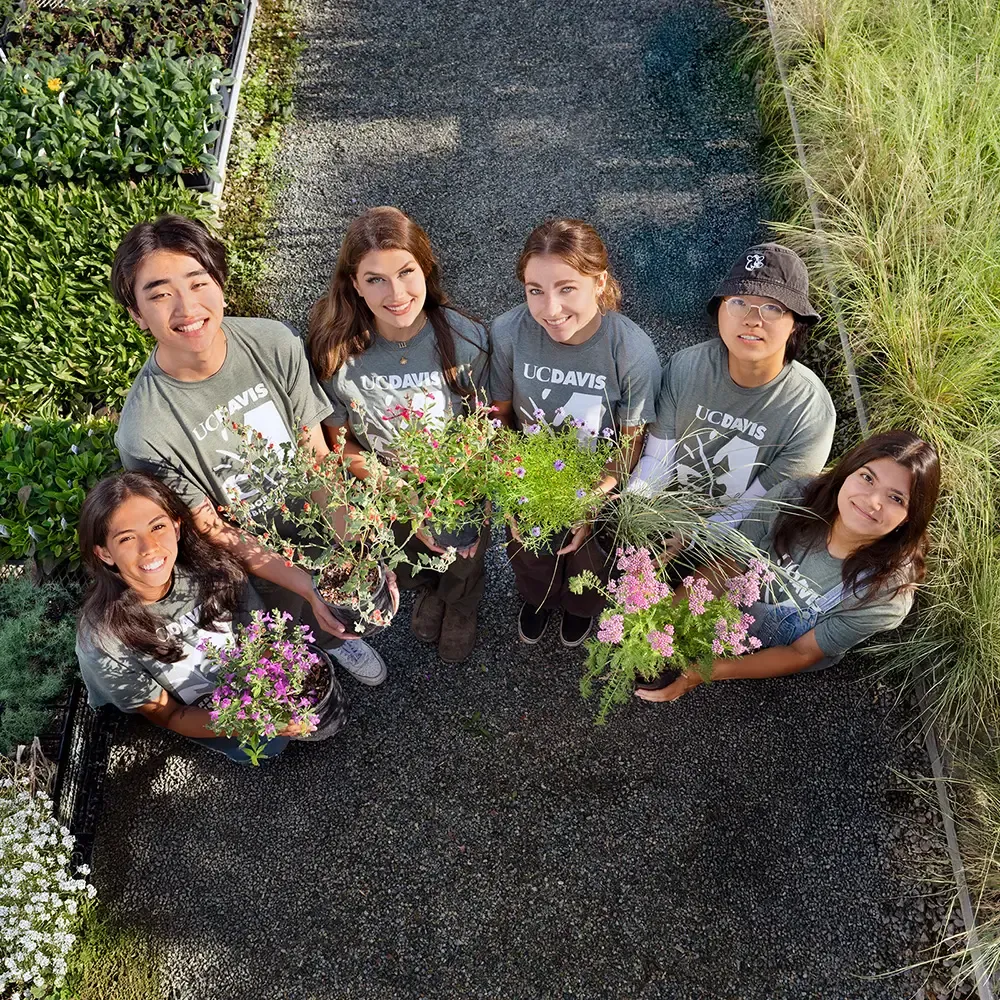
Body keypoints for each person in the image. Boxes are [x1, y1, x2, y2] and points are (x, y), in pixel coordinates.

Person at [109, 214, 389, 687]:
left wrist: (354, 544)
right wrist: (308, 585)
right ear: (137, 313)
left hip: (315, 516)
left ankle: (343, 635)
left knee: (339, 600)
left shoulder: (272, 342)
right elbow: (211, 529)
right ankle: (327, 645)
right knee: (297, 612)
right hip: (250, 552)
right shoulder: (144, 430)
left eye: (198, 283)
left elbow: (315, 456)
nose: (185, 308)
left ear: (219, 283)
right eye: (159, 294)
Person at [308, 207, 491, 663]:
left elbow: (488, 421)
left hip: (456, 486)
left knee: (462, 555)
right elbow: (338, 440)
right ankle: (428, 591)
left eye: (406, 272)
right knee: (409, 558)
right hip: (384, 489)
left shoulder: (466, 340)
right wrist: (390, 485)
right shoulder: (337, 354)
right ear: (354, 283)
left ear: (425, 269)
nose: (396, 293)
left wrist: (471, 486)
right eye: (375, 279)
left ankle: (461, 604)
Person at [636, 430, 940, 703]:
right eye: (867, 477)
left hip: (782, 653)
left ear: (910, 517)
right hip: (724, 611)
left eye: (895, 498)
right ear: (848, 471)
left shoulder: (885, 593)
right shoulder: (795, 498)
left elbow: (802, 652)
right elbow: (729, 564)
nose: (872, 500)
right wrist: (663, 625)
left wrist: (703, 673)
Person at [75, 472, 352, 762]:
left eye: (157, 526)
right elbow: (170, 714)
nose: (149, 548)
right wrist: (252, 718)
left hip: (249, 683)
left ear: (177, 527)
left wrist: (279, 693)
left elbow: (260, 639)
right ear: (105, 553)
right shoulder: (102, 641)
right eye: (127, 538)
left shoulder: (215, 570)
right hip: (202, 711)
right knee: (265, 748)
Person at [490, 218, 661, 647]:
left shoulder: (630, 350)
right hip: (532, 477)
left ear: (598, 281)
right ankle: (537, 599)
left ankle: (580, 607)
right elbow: (498, 415)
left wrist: (597, 493)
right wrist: (512, 484)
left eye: (567, 288)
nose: (550, 309)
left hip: (597, 479)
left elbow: (631, 438)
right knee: (529, 552)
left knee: (590, 558)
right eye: (535, 291)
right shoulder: (509, 333)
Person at [629, 243, 836, 504]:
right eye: (739, 302)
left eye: (772, 308)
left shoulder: (809, 412)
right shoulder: (685, 367)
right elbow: (656, 461)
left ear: (796, 323)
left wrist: (696, 539)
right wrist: (630, 512)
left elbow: (760, 508)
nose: (752, 319)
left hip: (739, 534)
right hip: (663, 515)